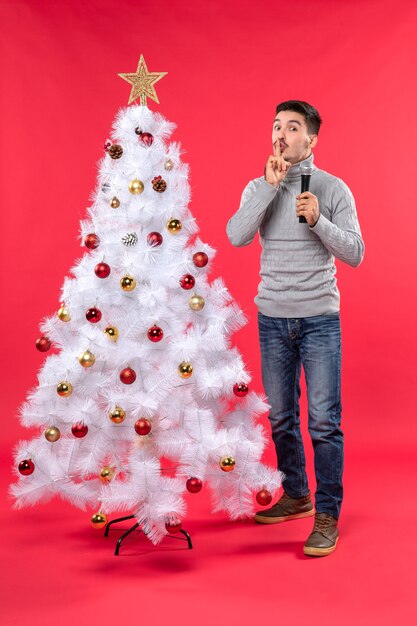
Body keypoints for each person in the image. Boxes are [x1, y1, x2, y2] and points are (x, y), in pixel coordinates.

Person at [226, 100, 364, 557]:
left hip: (319, 318)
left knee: (324, 422)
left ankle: (327, 514)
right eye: (275, 126)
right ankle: (297, 495)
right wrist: (269, 189)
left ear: (312, 139)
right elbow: (236, 236)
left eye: (292, 127)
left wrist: (319, 220)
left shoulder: (333, 187)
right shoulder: (258, 186)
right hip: (272, 318)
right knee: (282, 416)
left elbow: (356, 252)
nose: (280, 134)